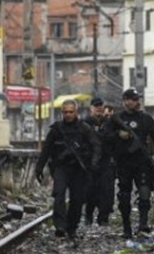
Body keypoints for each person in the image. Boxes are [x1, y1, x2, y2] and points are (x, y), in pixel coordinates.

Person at [35, 99, 100, 243]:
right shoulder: (56, 130)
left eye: (71, 112)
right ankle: (60, 226)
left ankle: (72, 227)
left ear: (76, 112)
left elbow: (96, 146)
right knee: (59, 194)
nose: (68, 115)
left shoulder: (84, 128)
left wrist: (93, 164)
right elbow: (46, 150)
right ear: (62, 112)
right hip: (61, 168)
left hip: (79, 169)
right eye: (65, 112)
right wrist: (39, 168)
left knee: (77, 200)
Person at [108, 88, 154, 238]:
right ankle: (126, 227)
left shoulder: (145, 119)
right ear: (125, 101)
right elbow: (105, 136)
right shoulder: (116, 119)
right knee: (124, 196)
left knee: (144, 192)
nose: (136, 102)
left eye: (136, 99)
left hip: (141, 162)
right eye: (132, 99)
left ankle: (143, 224)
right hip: (123, 163)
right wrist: (118, 134)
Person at [83, 97, 115, 226]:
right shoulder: (85, 123)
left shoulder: (110, 123)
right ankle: (89, 215)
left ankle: (103, 218)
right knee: (90, 190)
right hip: (90, 162)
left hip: (106, 162)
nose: (98, 108)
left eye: (100, 106)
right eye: (96, 106)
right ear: (91, 108)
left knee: (107, 192)